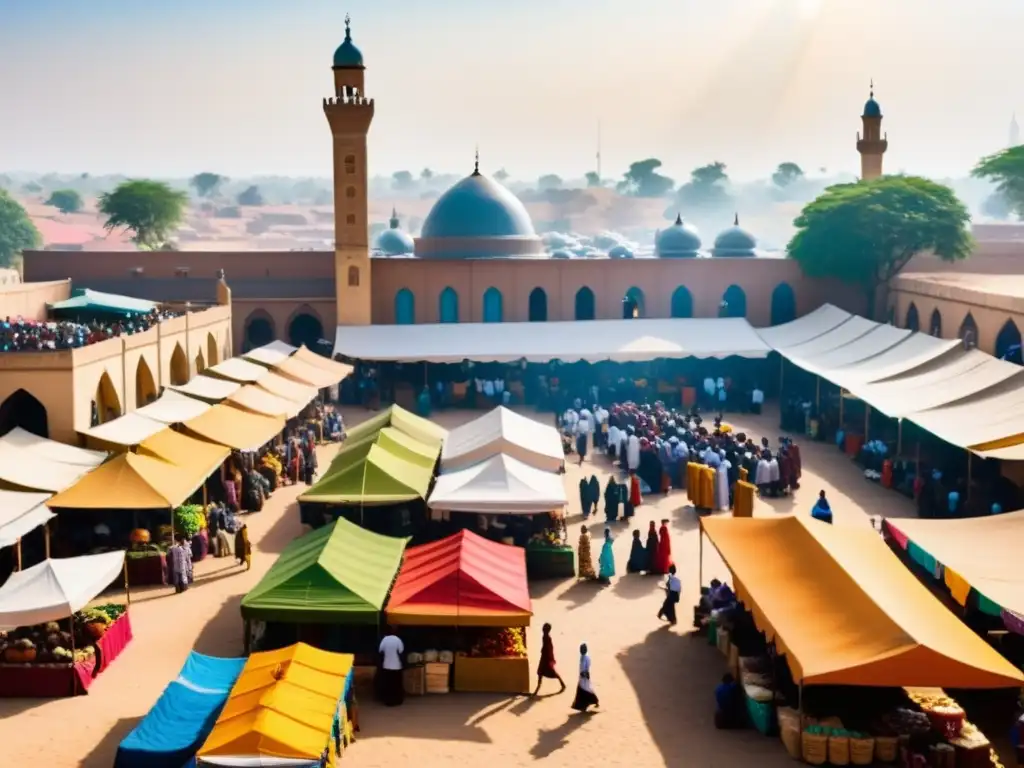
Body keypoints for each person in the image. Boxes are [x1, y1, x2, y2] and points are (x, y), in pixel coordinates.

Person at [533, 623, 566, 696]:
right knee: (541, 672)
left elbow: (549, 648)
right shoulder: (545, 636)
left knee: (549, 672)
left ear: (546, 630)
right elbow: (548, 647)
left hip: (546, 658)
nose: (542, 629)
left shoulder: (546, 637)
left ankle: (562, 684)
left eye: (544, 628)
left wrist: (550, 658)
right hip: (544, 657)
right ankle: (537, 689)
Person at [377, 627, 405, 706]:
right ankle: (397, 700)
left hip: (386, 665)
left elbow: (380, 651)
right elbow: (401, 652)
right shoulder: (398, 640)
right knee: (396, 684)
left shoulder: (384, 640)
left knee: (388, 684)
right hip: (396, 666)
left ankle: (388, 701)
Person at [570, 643, 599, 713]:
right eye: (581, 649)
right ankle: (586, 705)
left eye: (582, 649)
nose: (581, 651)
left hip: (584, 676)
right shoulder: (583, 657)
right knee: (585, 689)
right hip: (582, 676)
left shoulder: (585, 658)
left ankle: (590, 703)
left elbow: (586, 667)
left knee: (585, 690)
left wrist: (584, 674)